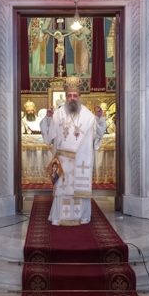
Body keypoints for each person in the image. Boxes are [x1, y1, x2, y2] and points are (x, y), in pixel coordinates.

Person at [40, 76, 106, 225]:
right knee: (62, 189)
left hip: (81, 160)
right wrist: (48, 119)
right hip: (63, 161)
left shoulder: (88, 116)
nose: (72, 99)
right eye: (69, 95)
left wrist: (100, 118)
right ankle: (58, 217)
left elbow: (98, 133)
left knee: (79, 190)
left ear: (79, 96)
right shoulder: (58, 114)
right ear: (65, 96)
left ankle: (82, 216)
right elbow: (49, 136)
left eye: (75, 95)